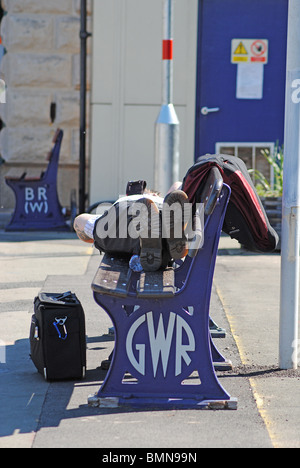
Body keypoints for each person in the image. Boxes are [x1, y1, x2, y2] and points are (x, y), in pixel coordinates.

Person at [73, 181, 190, 272]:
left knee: (80, 220)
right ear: (155, 195)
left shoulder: (127, 199)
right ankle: (162, 236)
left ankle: (145, 243)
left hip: (125, 215)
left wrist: (94, 237)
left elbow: (81, 221)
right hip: (161, 217)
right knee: (162, 221)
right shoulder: (160, 200)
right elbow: (177, 185)